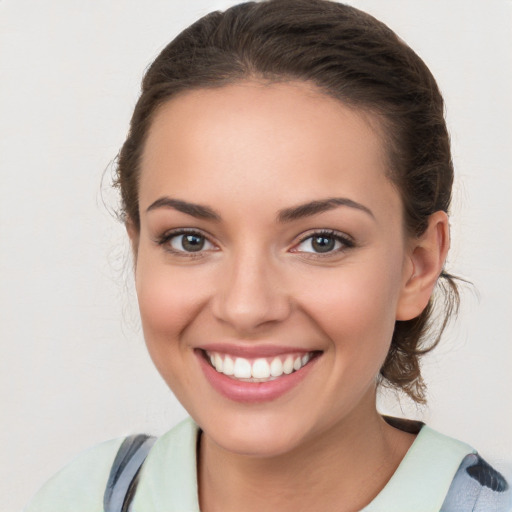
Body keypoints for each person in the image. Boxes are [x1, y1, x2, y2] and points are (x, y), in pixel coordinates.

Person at [25, 1, 511, 511]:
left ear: (418, 266)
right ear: (138, 248)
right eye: (190, 240)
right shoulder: (75, 498)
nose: (246, 307)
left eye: (321, 241)